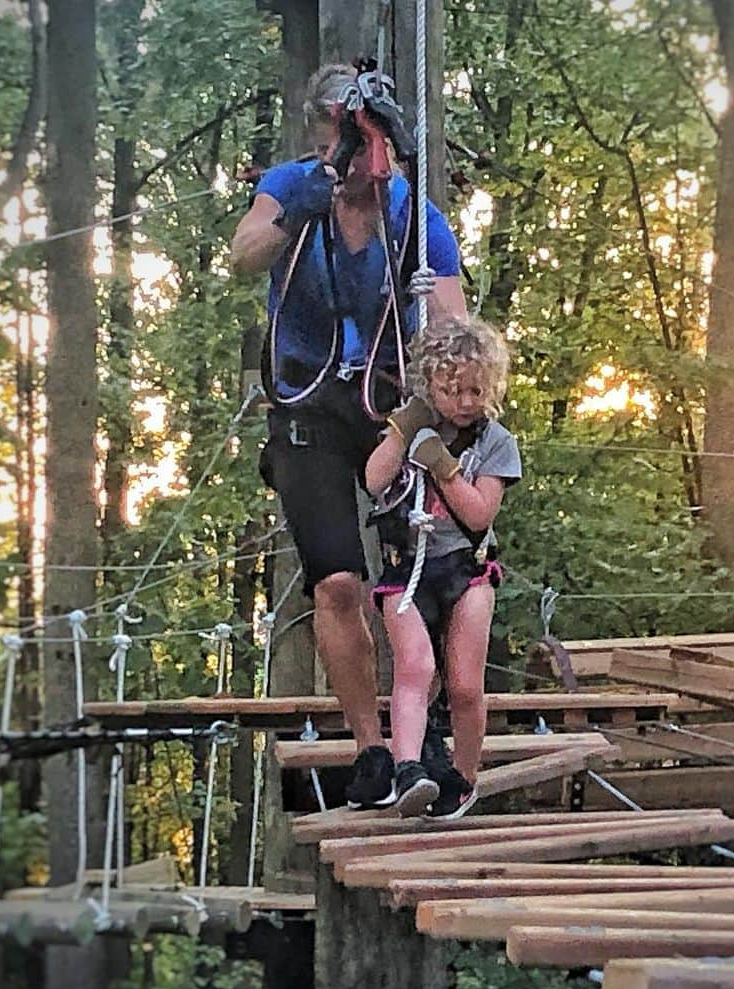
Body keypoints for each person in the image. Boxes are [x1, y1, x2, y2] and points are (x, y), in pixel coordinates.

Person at [231, 63, 466, 810]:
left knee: (417, 577)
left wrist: (446, 403)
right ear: (324, 133)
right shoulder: (292, 186)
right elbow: (243, 257)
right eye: (347, 134)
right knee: (336, 582)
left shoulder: (412, 212)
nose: (363, 155)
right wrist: (302, 201)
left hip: (392, 409)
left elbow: (457, 325)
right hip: (307, 405)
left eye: (372, 138)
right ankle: (369, 746)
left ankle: (415, 744)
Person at [365, 316, 521, 818]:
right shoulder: (412, 424)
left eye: (476, 390)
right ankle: (408, 767)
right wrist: (401, 435)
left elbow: (479, 514)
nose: (464, 401)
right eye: (452, 390)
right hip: (406, 568)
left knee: (463, 684)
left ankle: (464, 776)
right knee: (415, 667)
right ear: (430, 385)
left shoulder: (495, 442)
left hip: (466, 569)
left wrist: (443, 467)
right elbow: (373, 481)